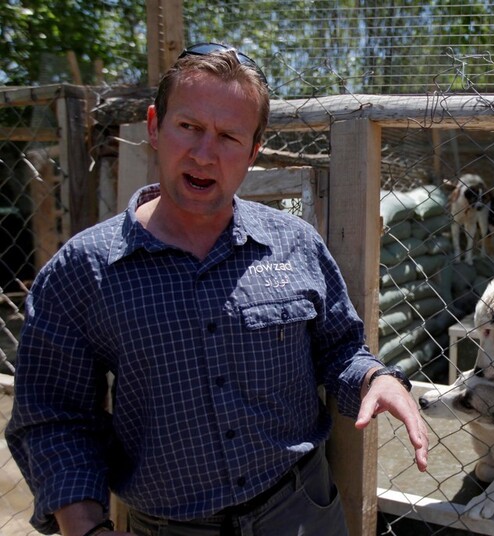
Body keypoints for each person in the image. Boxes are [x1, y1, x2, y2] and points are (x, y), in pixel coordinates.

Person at [6, 43, 428, 536]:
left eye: (229, 136)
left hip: (300, 512)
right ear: (154, 127)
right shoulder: (85, 270)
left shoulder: (293, 243)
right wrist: (85, 526)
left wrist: (374, 377)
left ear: (253, 151)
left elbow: (339, 350)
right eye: (189, 127)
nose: (204, 154)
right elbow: (53, 416)